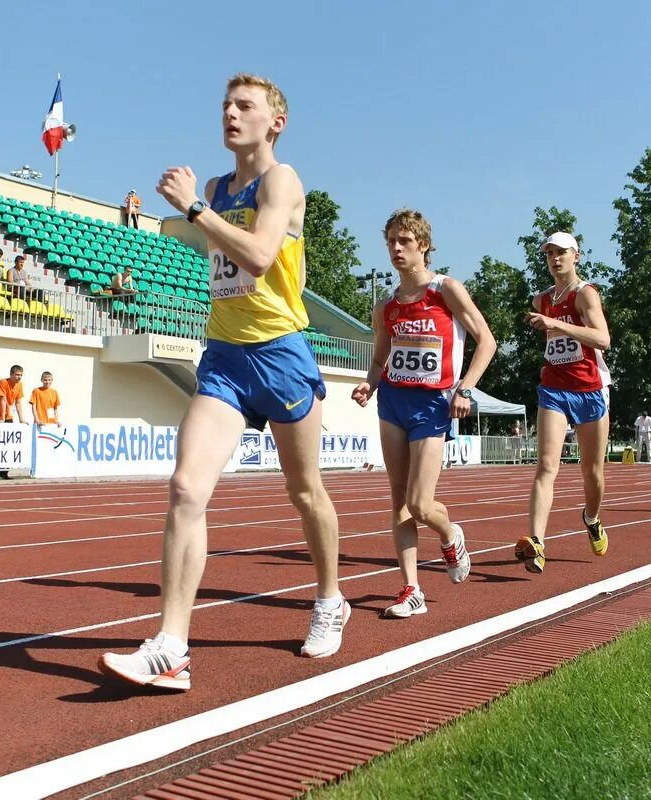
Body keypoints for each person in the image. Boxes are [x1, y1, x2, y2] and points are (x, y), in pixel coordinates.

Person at [100, 73, 346, 692]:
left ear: (275, 122)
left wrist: (194, 209)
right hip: (226, 359)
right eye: (226, 106)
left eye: (245, 106)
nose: (230, 114)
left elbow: (260, 257)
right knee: (185, 487)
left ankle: (329, 598)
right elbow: (214, 248)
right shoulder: (214, 187)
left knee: (304, 491)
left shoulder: (282, 181)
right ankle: (171, 646)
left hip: (282, 353)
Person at [351, 209, 495, 619]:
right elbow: (380, 358)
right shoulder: (386, 306)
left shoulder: (446, 290)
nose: (396, 249)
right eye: (391, 242)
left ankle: (450, 535)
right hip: (393, 401)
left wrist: (465, 388)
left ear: (423, 246)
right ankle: (411, 588)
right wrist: (370, 383)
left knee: (419, 503)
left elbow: (487, 340)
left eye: (405, 241)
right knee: (398, 502)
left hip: (433, 404)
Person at [514, 232, 611, 573]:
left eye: (562, 253)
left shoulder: (585, 295)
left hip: (589, 390)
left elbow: (603, 339)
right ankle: (536, 542)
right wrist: (549, 322)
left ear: (576, 256)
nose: (555, 259)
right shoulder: (542, 299)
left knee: (592, 473)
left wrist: (557, 324)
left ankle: (592, 517)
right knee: (545, 466)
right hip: (553, 389)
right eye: (550, 253)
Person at [0, 365, 26, 479]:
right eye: (17, 375)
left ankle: (4, 473)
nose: (19, 377)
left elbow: (18, 402)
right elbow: (2, 400)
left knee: (9, 446)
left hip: (9, 416)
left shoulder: (19, 385)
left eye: (21, 375)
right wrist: (2, 418)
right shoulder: (3, 382)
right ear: (11, 374)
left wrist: (21, 419)